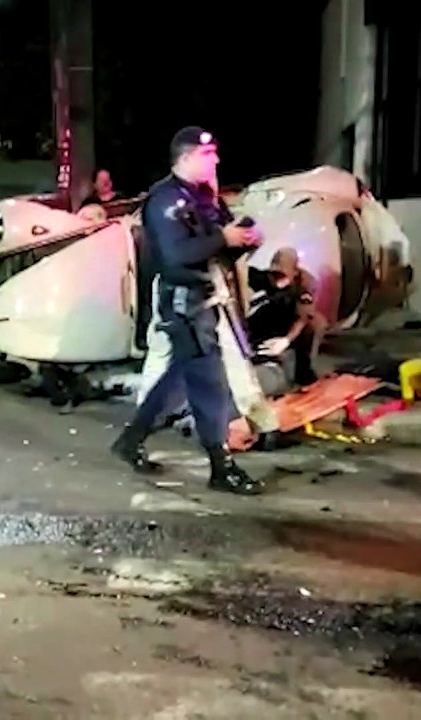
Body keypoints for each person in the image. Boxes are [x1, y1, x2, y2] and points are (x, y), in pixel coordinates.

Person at [111, 126, 264, 495]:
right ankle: (221, 466)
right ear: (187, 158)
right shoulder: (165, 200)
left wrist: (241, 241)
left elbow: (217, 248)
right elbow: (176, 255)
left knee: (181, 379)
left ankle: (132, 440)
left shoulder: (204, 198)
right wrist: (222, 238)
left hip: (205, 299)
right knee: (209, 383)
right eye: (209, 156)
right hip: (184, 303)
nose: (216, 161)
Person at [246, 247, 320, 387]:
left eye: (282, 275)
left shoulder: (306, 283)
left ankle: (303, 372)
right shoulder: (267, 278)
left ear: (294, 272)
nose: (278, 280)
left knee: (315, 324)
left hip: (294, 317)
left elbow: (303, 317)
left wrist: (285, 341)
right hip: (274, 313)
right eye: (275, 274)